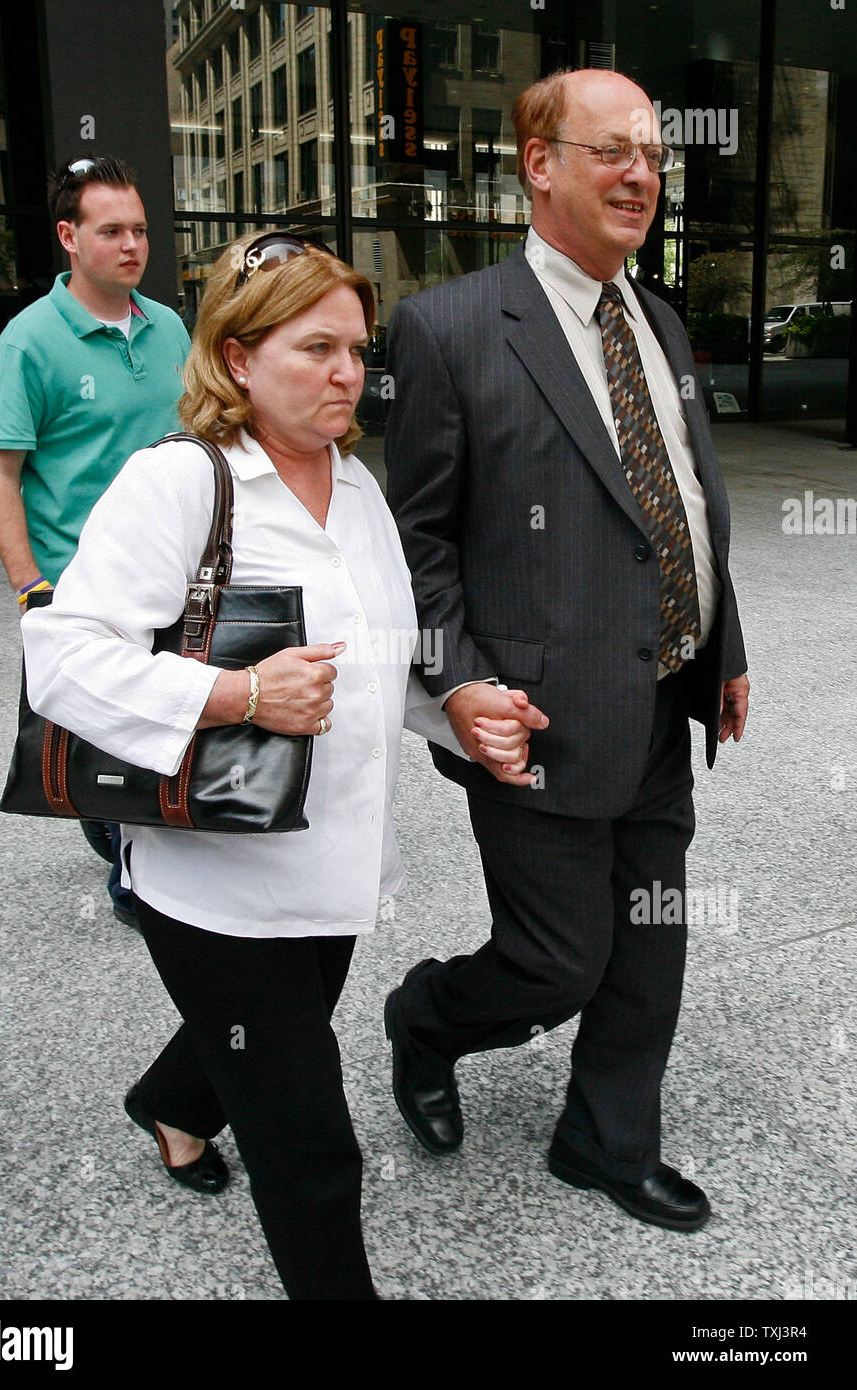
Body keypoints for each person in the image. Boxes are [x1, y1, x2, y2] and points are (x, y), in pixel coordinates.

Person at [20, 232, 534, 1300]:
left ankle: (169, 1100)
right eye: (315, 348)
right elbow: (62, 658)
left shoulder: (356, 490)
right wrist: (236, 694)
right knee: (309, 1139)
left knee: (257, 1040)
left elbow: (376, 665)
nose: (347, 372)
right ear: (238, 357)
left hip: (330, 868)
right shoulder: (180, 483)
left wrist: (460, 710)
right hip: (215, 880)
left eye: (356, 348)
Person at [383, 68, 750, 1234]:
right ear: (537, 164)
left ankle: (602, 1140)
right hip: (530, 718)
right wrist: (460, 681)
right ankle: (426, 1018)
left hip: (657, 702)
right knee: (554, 962)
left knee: (647, 943)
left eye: (651, 153)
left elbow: (683, 503)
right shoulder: (447, 329)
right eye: (611, 151)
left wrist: (718, 645)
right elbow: (416, 544)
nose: (640, 173)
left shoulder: (661, 320)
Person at [0, 155, 191, 929]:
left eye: (139, 229)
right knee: (97, 750)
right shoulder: (28, 342)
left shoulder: (167, 325)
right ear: (69, 236)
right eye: (111, 231)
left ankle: (141, 846)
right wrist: (31, 586)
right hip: (80, 585)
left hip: (174, 576)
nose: (132, 245)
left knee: (163, 729)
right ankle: (130, 867)